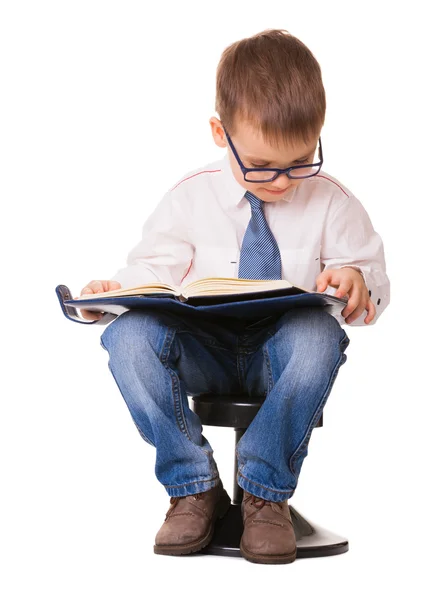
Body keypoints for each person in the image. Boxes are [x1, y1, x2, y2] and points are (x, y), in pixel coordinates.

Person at [77, 29, 390, 564]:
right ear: (221, 133)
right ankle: (192, 487)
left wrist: (358, 281)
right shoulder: (190, 197)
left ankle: (265, 496)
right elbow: (152, 273)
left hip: (284, 359)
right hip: (206, 351)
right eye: (265, 166)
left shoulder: (333, 202)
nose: (283, 181)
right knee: (127, 336)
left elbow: (370, 285)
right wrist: (116, 294)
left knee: (319, 334)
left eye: (300, 162)